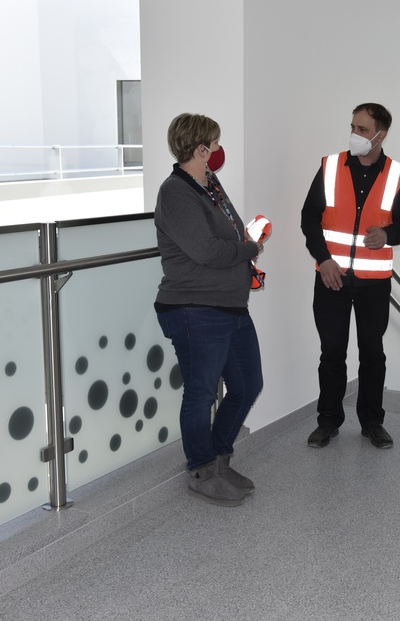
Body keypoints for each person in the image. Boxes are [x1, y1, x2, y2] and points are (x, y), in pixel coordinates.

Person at [155, 113, 264, 507]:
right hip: (194, 308)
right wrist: (248, 249)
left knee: (248, 384)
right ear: (200, 149)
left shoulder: (209, 186)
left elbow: (229, 234)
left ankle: (219, 458)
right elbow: (205, 250)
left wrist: (244, 243)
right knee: (200, 393)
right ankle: (201, 469)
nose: (218, 151)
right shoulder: (176, 192)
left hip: (229, 306)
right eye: (213, 144)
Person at [300, 102, 400, 449]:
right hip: (331, 279)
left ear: (381, 135)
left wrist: (387, 235)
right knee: (332, 352)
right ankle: (328, 421)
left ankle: (372, 422)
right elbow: (309, 218)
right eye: (353, 127)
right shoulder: (331, 166)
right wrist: (324, 260)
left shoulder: (397, 174)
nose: (355, 135)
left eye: (363, 130)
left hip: (374, 284)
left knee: (372, 354)